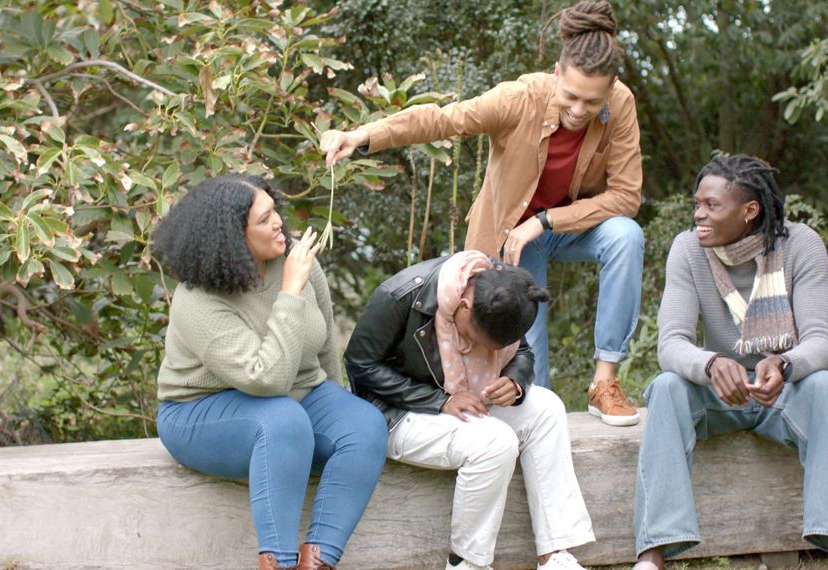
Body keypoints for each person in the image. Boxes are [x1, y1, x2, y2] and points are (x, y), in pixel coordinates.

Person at [322, 0, 644, 426]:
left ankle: (604, 382)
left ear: (611, 87)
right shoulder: (519, 98)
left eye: (592, 101)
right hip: (508, 240)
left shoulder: (620, 104)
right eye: (571, 96)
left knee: (626, 235)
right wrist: (364, 135)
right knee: (531, 368)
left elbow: (626, 195)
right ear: (555, 74)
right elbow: (442, 120)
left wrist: (544, 221)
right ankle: (533, 429)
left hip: (564, 228)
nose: (579, 111)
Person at [633, 155, 828, 570]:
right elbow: (671, 344)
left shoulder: (801, 245)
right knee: (666, 386)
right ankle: (654, 554)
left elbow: (823, 342)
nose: (699, 214)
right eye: (696, 204)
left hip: (784, 392)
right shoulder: (688, 248)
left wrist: (785, 364)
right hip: (720, 394)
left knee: (826, 386)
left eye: (711, 206)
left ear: (750, 211)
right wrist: (710, 364)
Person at [152, 174, 388, 570]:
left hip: (295, 398)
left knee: (364, 425)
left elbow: (326, 340)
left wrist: (337, 403)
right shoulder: (198, 300)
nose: (279, 221)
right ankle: (276, 561)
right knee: (283, 421)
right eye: (264, 220)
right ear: (231, 238)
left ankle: (318, 561)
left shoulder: (294, 261)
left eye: (274, 209)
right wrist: (290, 293)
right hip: (200, 411)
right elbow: (267, 378)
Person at [345, 250, 595, 570]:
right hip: (397, 412)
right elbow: (360, 364)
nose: (482, 351)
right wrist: (439, 401)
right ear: (463, 305)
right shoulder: (400, 296)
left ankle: (555, 553)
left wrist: (514, 379)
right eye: (475, 339)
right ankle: (467, 562)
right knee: (495, 442)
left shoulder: (504, 290)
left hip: (466, 400)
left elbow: (522, 352)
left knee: (546, 407)